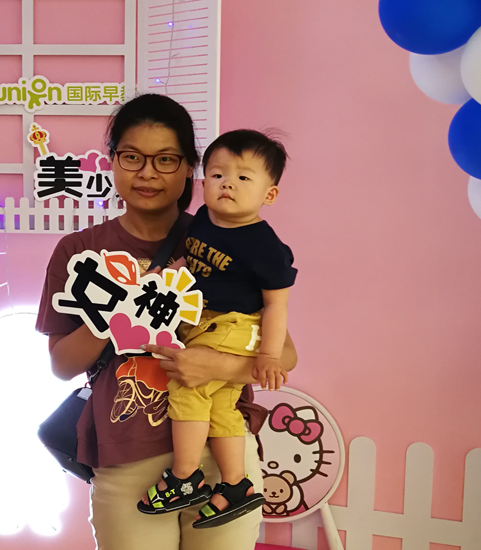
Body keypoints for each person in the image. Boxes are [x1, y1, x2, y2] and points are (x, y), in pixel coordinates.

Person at [36, 94, 298, 550]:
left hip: (220, 456)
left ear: (190, 169)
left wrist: (214, 366)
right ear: (112, 161)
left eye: (166, 159)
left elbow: (284, 355)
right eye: (132, 157)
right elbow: (61, 364)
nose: (148, 173)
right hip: (125, 456)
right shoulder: (80, 251)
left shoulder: (223, 236)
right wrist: (118, 310)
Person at [137, 130, 296, 529]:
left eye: (243, 177)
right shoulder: (203, 221)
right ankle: (236, 483)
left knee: (188, 387)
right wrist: (165, 274)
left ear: (269, 194)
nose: (227, 184)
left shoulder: (266, 247)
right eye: (218, 174)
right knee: (223, 405)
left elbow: (276, 304)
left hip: (235, 324)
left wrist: (268, 355)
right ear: (204, 181)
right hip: (204, 321)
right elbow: (193, 263)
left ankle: (184, 477)